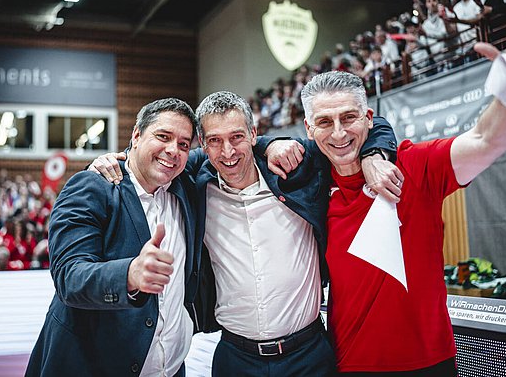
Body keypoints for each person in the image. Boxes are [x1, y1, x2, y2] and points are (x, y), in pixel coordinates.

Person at [268, 34, 506, 375]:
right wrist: (271, 145)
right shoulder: (312, 188)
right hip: (350, 363)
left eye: (348, 117)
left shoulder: (414, 165)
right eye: (324, 122)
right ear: (308, 128)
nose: (338, 133)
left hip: (429, 363)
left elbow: (486, 140)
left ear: (368, 118)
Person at [91, 93, 401, 376]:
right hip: (235, 358)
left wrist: (374, 155)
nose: (227, 152)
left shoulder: (298, 166)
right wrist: (119, 159)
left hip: (308, 355)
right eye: (215, 140)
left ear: (253, 134)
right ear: (203, 144)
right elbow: (153, 157)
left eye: (237, 137)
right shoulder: (195, 183)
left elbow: (373, 126)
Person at [26, 98, 202, 377]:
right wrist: (129, 275)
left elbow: (230, 147)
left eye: (183, 144)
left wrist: (270, 145)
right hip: (93, 368)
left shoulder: (184, 181)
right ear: (136, 135)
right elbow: (69, 277)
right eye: (163, 136)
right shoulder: (93, 186)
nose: (173, 150)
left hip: (169, 369)